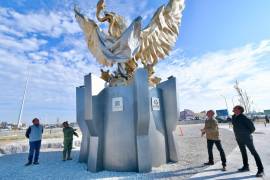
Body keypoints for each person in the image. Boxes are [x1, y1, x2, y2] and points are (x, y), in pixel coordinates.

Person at [232, 105, 264, 177]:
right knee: (243, 152)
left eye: (234, 109)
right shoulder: (234, 117)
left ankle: (261, 170)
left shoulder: (244, 118)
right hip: (239, 138)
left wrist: (246, 134)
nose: (233, 110)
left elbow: (252, 128)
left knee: (254, 153)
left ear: (239, 110)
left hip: (247, 138)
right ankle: (246, 166)